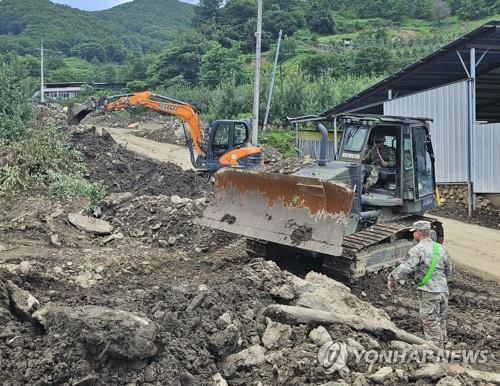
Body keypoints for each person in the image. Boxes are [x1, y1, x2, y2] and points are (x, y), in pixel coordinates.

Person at [387, 221, 452, 348]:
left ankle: (437, 351)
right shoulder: (441, 248)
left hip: (429, 291)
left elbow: (407, 267)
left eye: (414, 232)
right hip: (443, 290)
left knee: (430, 320)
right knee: (441, 319)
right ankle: (443, 343)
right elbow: (448, 269)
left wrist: (392, 277)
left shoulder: (418, 250)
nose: (413, 234)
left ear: (420, 233)